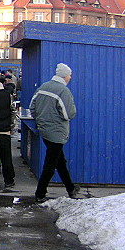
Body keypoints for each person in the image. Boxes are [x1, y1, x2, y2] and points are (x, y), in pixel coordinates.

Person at [30, 63, 80, 203]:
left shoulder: (43, 87)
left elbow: (32, 107)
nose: (70, 77)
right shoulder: (63, 91)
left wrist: (41, 119)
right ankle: (40, 193)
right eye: (70, 75)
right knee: (50, 164)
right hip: (57, 132)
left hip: (44, 130)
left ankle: (70, 188)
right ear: (65, 76)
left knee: (59, 161)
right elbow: (69, 114)